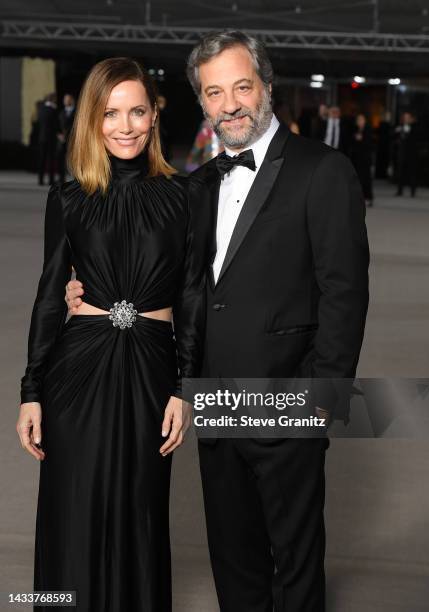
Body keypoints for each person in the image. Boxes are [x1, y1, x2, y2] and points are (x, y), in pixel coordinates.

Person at [66, 31, 370, 612]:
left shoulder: (323, 170)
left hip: (288, 403)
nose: (229, 103)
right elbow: (165, 277)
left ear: (266, 86)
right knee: (235, 563)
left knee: (296, 566)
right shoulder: (196, 185)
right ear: (201, 103)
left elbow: (345, 293)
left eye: (241, 86)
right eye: (213, 92)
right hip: (213, 402)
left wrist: (319, 405)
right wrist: (89, 294)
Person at [16, 57, 208, 611]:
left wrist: (185, 386)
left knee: (139, 512)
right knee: (72, 510)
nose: (125, 126)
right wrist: (31, 391)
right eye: (110, 113)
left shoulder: (186, 197)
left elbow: (193, 295)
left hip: (151, 372)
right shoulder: (68, 198)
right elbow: (51, 295)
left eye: (137, 112)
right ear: (91, 122)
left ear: (154, 116)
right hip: (75, 375)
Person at [350, 113, 374, 207]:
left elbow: (369, 143)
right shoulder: (355, 130)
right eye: (358, 120)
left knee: (366, 178)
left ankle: (368, 198)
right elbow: (351, 143)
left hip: (365, 158)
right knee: (357, 179)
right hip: (356, 158)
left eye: (361, 120)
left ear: (364, 121)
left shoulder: (368, 130)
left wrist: (361, 139)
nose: (359, 122)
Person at [37, 93, 61, 186]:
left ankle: (40, 180)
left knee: (42, 159)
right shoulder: (53, 110)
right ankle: (51, 180)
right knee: (51, 159)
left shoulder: (41, 109)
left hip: (42, 138)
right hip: (51, 138)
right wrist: (60, 133)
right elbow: (56, 124)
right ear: (52, 99)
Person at [394, 111, 419, 197]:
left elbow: (416, 139)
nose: (406, 119)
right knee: (401, 173)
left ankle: (413, 191)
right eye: (405, 117)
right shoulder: (400, 127)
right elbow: (395, 137)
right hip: (402, 153)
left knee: (412, 173)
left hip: (411, 154)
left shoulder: (415, 127)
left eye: (408, 117)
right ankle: (399, 190)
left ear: (411, 118)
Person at [57, 93, 76, 183]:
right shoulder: (61, 112)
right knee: (61, 160)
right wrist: (59, 135)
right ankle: (61, 179)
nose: (65, 101)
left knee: (75, 160)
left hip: (74, 140)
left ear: (72, 100)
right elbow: (57, 126)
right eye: (64, 100)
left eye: (67, 99)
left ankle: (77, 180)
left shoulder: (78, 112)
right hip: (62, 141)